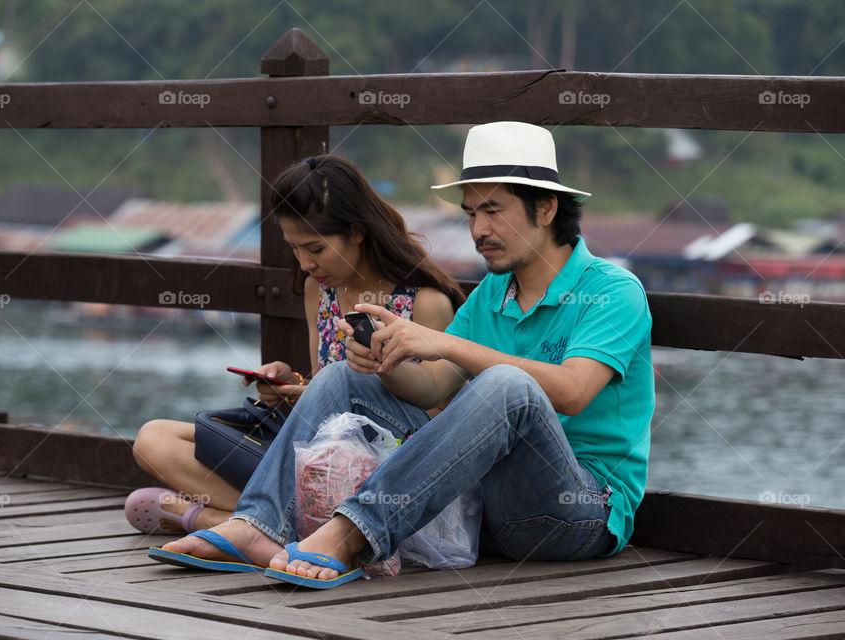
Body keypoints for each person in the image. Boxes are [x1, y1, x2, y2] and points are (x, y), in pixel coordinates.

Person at [153, 121, 654, 589]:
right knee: (340, 378)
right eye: (471, 212)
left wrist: (441, 341)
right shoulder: (491, 296)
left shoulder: (612, 291)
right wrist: (385, 362)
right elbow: (432, 387)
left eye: (493, 210)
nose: (478, 229)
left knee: (507, 386)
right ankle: (255, 523)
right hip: (485, 511)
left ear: (546, 208)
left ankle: (350, 534)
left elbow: (571, 392)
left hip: (576, 515)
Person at [126, 154, 465, 535]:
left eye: (316, 249)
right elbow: (325, 390)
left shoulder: (425, 302)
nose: (304, 262)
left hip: (375, 467)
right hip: (308, 451)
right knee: (153, 437)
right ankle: (270, 522)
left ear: (357, 231)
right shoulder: (318, 291)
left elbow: (440, 421)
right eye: (295, 248)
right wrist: (289, 388)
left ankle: (221, 520)